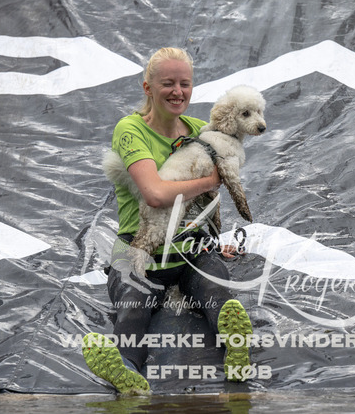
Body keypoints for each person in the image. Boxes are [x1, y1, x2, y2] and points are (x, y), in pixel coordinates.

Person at [82, 47, 253, 394]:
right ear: (148, 87)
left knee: (216, 292)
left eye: (185, 83)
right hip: (137, 248)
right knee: (133, 306)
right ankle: (125, 369)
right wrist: (212, 179)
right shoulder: (130, 130)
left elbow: (210, 198)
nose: (178, 91)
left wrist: (217, 237)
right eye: (168, 83)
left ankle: (237, 350)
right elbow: (156, 194)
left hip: (190, 248)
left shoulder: (199, 130)